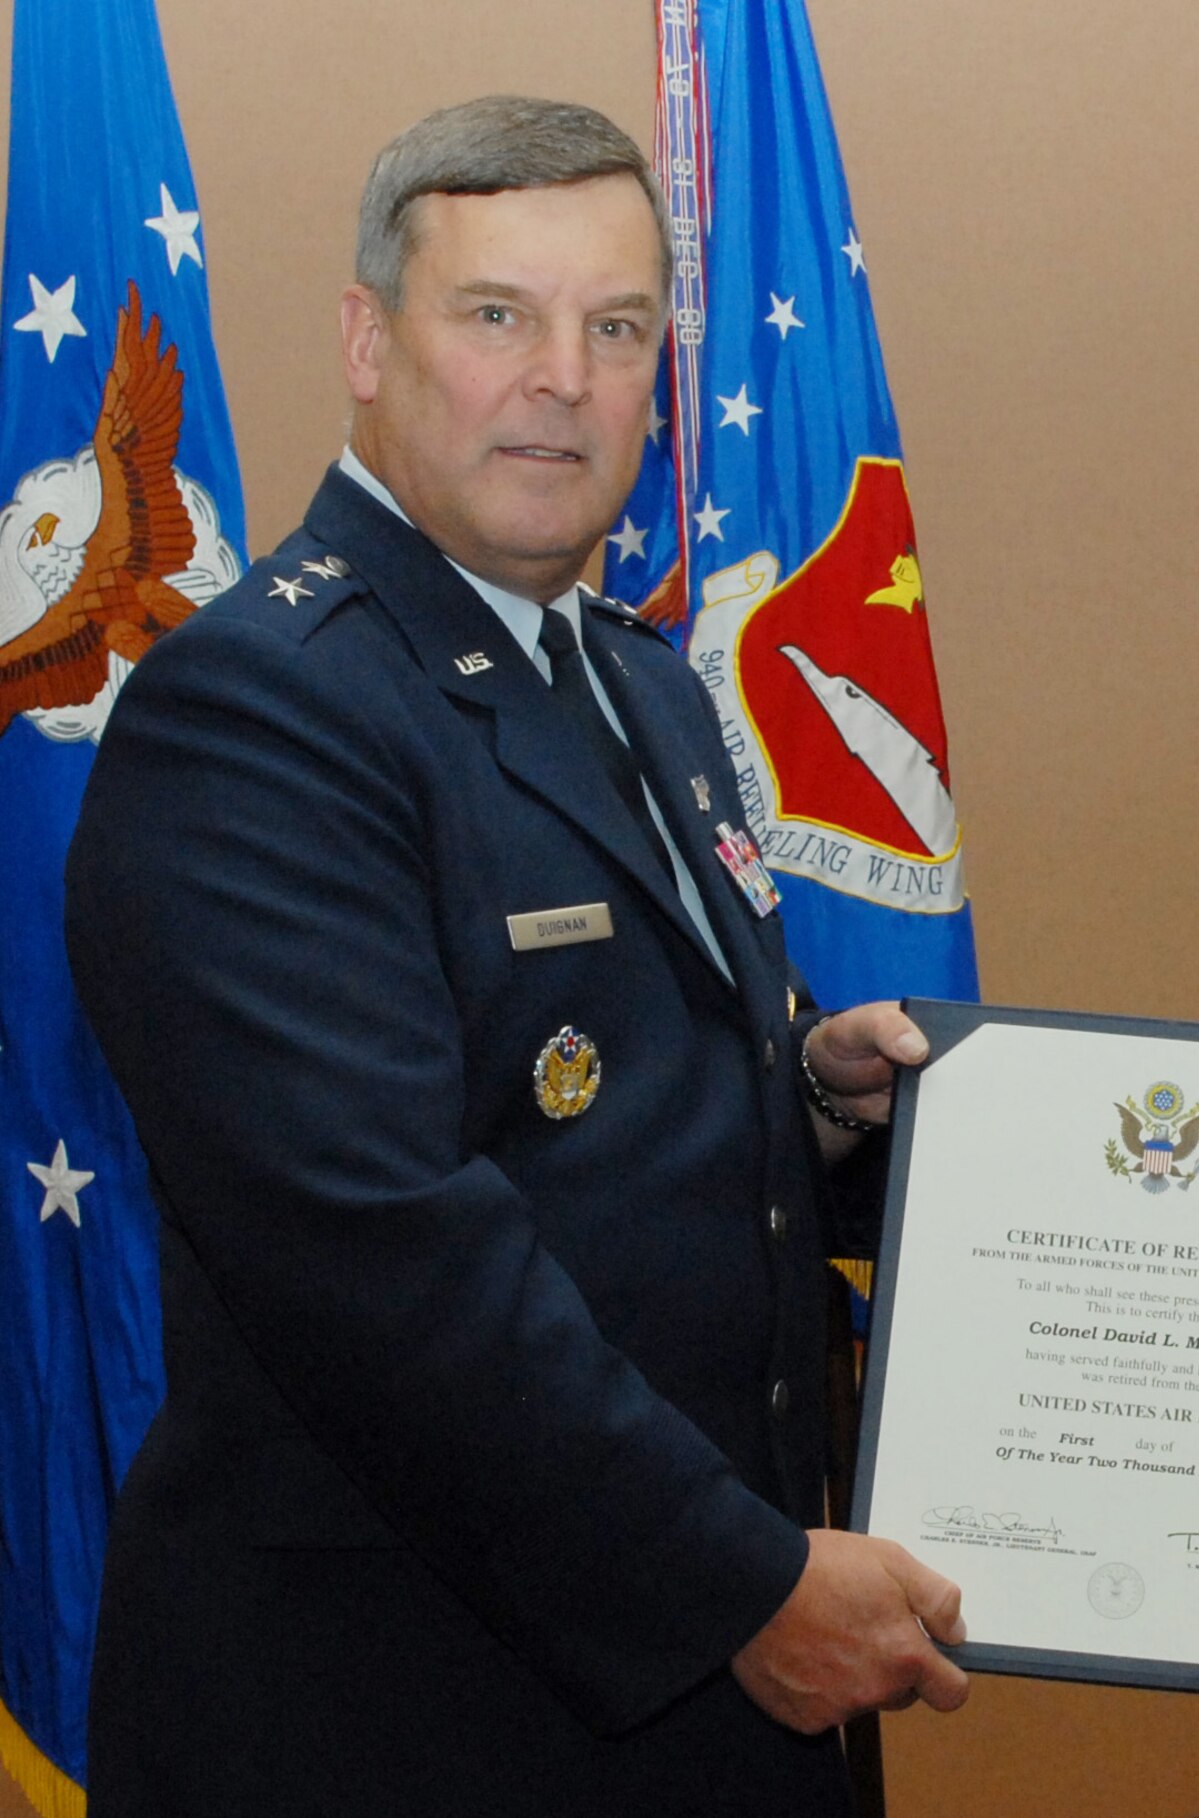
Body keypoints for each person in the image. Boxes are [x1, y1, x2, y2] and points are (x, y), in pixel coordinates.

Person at [64, 96, 966, 1818]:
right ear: (366, 340)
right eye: (499, 315)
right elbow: (381, 1251)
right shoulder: (259, 710)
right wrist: (738, 1587)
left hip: (686, 1708)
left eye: (617, 329)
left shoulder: (645, 686)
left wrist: (817, 1100)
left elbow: (624, 1120)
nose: (564, 378)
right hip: (407, 1717)